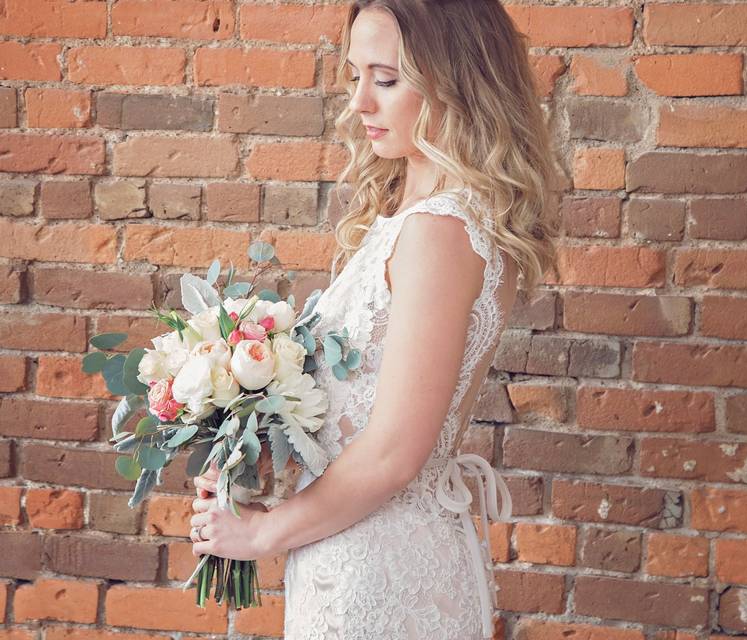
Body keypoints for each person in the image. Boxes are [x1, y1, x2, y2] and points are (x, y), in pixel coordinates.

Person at [188, 1, 558, 637]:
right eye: (355, 75)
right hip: (351, 556)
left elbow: (393, 452)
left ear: (459, 82)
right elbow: (356, 414)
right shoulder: (408, 217)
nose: (360, 101)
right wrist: (255, 459)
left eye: (385, 79)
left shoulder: (439, 232)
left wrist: (262, 534)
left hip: (385, 574)